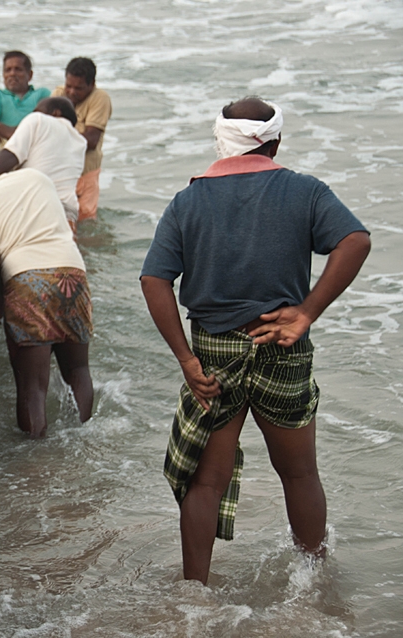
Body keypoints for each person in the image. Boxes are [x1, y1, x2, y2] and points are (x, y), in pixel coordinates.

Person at [140, 97, 370, 585]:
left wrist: (185, 359)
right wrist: (306, 312)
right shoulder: (304, 191)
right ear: (275, 142)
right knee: (300, 474)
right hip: (281, 348)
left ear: (220, 141)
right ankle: (314, 582)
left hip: (214, 356)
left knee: (206, 480)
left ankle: (195, 594)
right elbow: (356, 240)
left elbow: (154, 280)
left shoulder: (189, 200)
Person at [0, 167, 93, 439]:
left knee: (32, 386)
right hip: (73, 274)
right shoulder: (37, 177)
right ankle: (86, 434)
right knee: (78, 369)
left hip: (28, 280)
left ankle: (35, 454)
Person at [0, 96, 88, 228]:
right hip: (67, 213)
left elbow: (10, 156)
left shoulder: (38, 119)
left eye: (37, 110)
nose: (32, 114)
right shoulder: (81, 142)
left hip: (36, 204)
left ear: (55, 113)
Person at [52, 57, 112, 222]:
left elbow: (91, 140)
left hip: (86, 172)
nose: (71, 92)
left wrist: (58, 135)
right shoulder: (58, 94)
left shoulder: (100, 98)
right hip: (61, 170)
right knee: (58, 217)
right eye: (68, 86)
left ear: (91, 84)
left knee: (85, 218)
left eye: (78, 88)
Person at [0, 51, 51, 141]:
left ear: (29, 75)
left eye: (18, 69)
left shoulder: (42, 94)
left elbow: (42, 126)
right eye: (8, 70)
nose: (12, 74)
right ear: (3, 75)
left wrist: (3, 130)